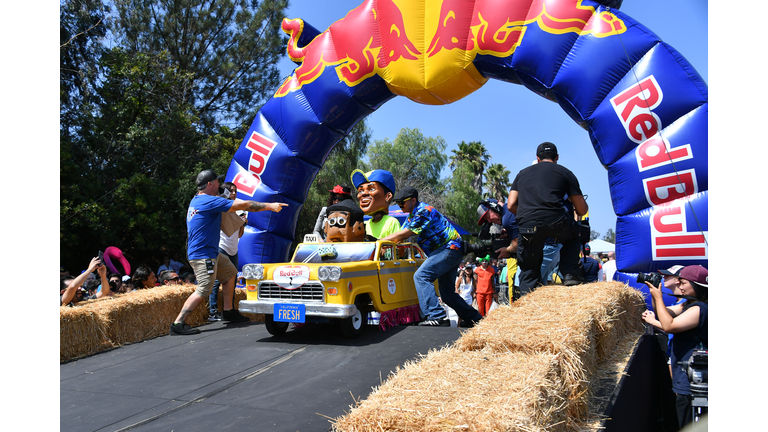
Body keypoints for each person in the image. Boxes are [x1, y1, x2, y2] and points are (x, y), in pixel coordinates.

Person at [170, 169, 288, 336]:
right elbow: (245, 205)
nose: (219, 184)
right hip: (204, 255)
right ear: (210, 184)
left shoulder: (199, 200)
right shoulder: (208, 202)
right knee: (204, 288)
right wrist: (270, 206)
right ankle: (178, 323)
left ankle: (228, 311)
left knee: (230, 272)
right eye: (217, 182)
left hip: (210, 253)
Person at [381, 186, 484, 327]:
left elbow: (404, 234)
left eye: (401, 203)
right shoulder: (412, 216)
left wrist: (379, 242)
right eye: (397, 203)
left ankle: (437, 316)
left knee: (421, 276)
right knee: (447, 293)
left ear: (412, 200)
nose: (399, 206)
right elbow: (399, 237)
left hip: (449, 249)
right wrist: (381, 244)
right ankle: (474, 318)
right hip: (449, 251)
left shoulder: (424, 211)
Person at [507, 142, 588, 293]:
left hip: (528, 224)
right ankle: (570, 273)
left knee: (529, 269)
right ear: (557, 157)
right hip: (556, 222)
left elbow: (511, 204)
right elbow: (582, 210)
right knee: (574, 235)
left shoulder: (521, 174)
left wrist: (527, 218)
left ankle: (525, 298)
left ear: (537, 158)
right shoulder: (565, 173)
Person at [642, 265, 708, 430]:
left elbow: (669, 326)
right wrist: (655, 296)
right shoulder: (688, 304)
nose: (680, 286)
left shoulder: (700, 308)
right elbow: (664, 314)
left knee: (690, 423)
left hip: (696, 381)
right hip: (686, 376)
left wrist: (658, 298)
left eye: (683, 282)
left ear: (696, 285)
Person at [209, 182, 246, 322]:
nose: (234, 193)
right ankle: (213, 311)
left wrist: (242, 223)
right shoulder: (221, 206)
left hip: (233, 249)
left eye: (235, 191)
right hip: (221, 246)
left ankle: (229, 310)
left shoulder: (239, 208)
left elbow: (240, 234)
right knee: (217, 280)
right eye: (230, 191)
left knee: (232, 281)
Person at [350, 169, 401, 239]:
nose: (364, 194)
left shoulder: (391, 222)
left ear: (388, 196)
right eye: (361, 191)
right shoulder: (365, 224)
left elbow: (398, 247)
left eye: (371, 189)